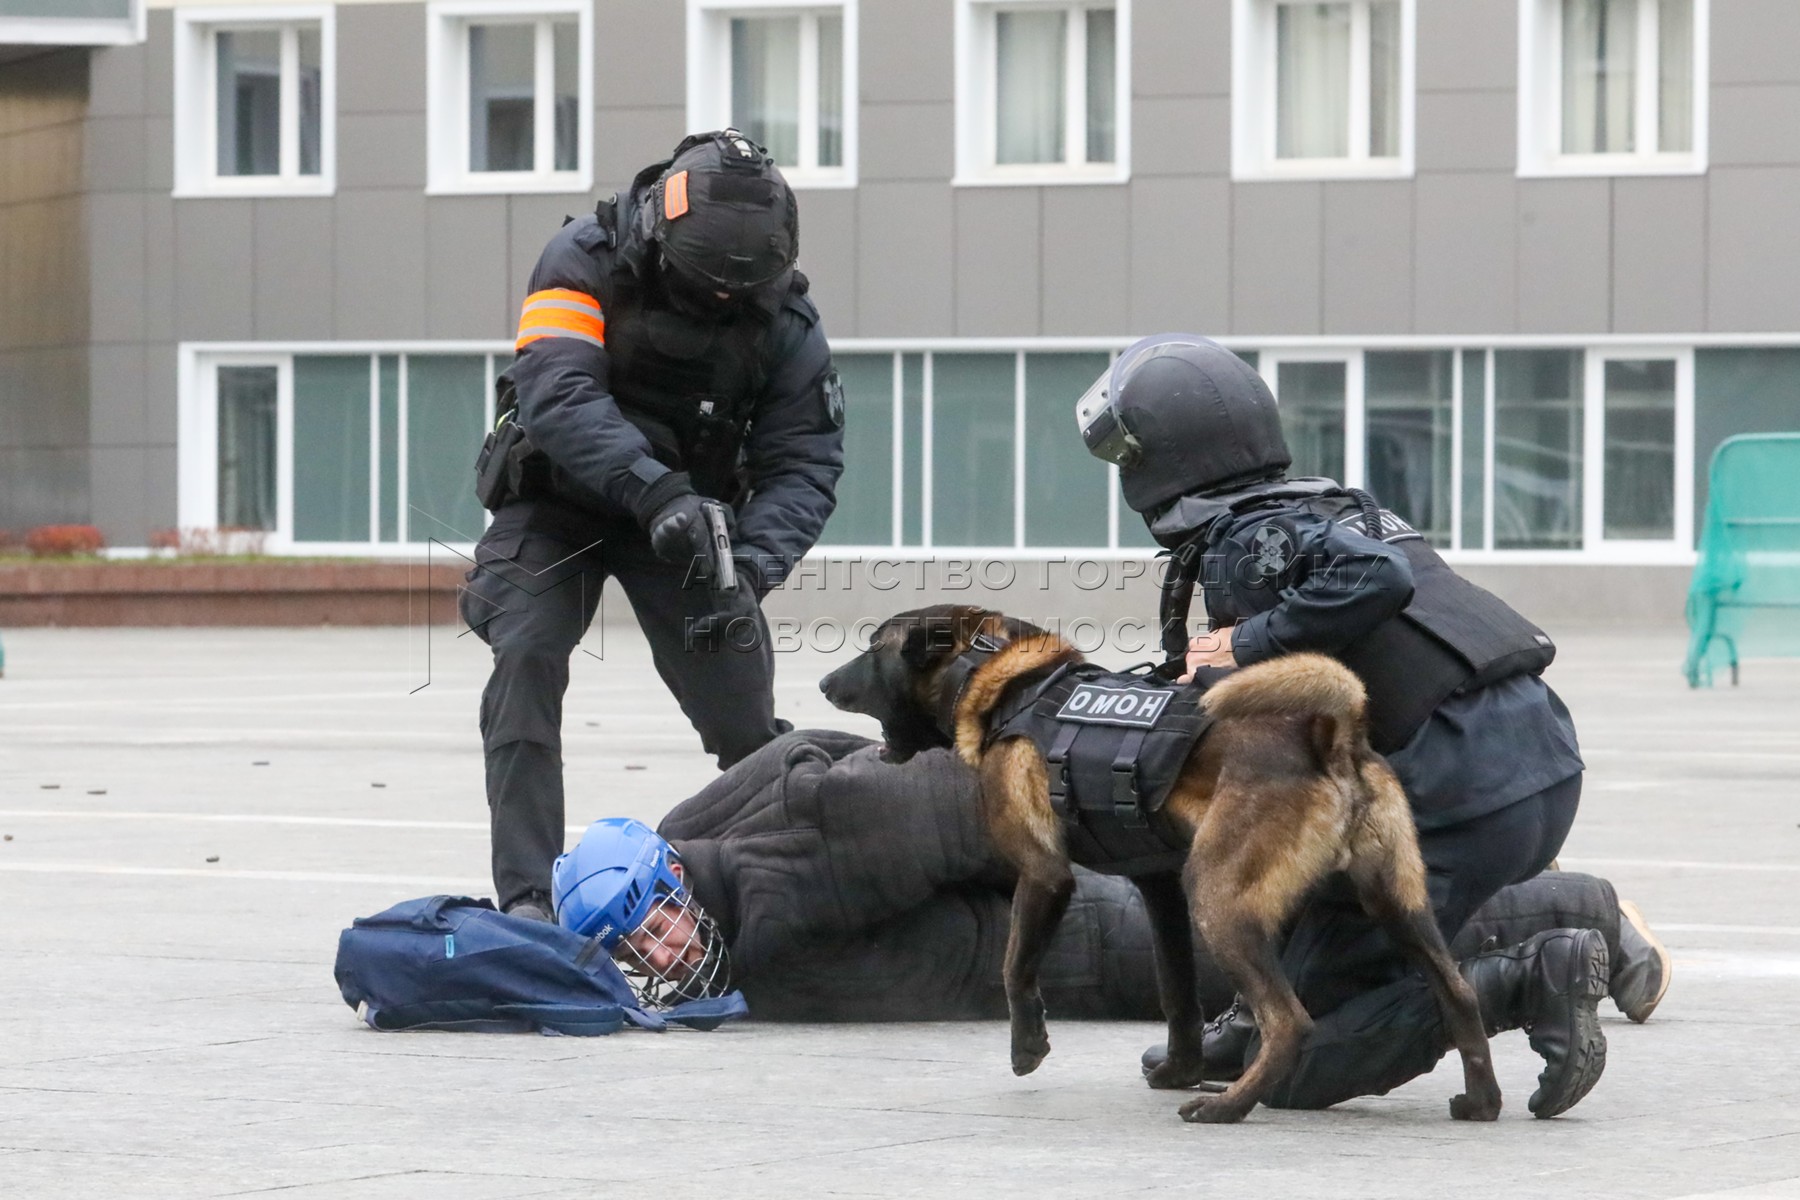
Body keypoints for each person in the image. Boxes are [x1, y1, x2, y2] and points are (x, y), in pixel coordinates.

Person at [1076, 334, 1665, 1117]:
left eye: (1126, 454)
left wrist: (1242, 645)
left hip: (1460, 790)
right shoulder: (1323, 505)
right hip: (1536, 757)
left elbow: (1373, 581)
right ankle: (1251, 1014)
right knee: (1295, 870)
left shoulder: (1248, 539)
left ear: (1164, 455)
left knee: (1293, 1068)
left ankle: (1529, 977)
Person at [545, 728, 1670, 1039]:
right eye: (631, 949)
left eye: (654, 927)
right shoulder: (699, 854)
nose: (660, 957)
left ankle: (1585, 911)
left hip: (1102, 927)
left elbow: (971, 801)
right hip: (1080, 923)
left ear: (674, 884)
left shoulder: (796, 871)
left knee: (1310, 960)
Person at [461, 129, 844, 922]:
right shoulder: (580, 259)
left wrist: (752, 568)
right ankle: (529, 902)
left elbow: (803, 464)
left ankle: (791, 896)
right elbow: (558, 394)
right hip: (557, 502)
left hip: (690, 525)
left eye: (740, 292)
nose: (722, 303)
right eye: (706, 287)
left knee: (744, 718)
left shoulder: (787, 323)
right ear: (659, 236)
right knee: (527, 657)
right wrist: (656, 491)